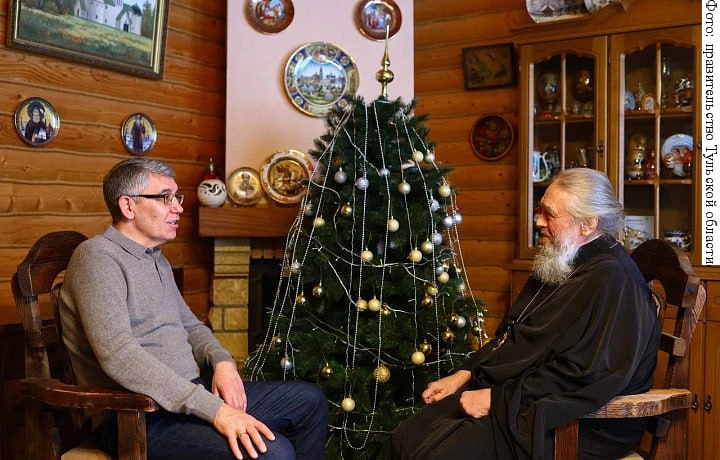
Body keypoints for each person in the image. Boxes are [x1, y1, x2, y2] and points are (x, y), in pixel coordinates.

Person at [60, 158, 327, 459]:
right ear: (128, 206)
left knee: (310, 401)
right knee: (274, 453)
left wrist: (223, 362)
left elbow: (191, 326)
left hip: (188, 397)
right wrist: (217, 411)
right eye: (165, 198)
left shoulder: (155, 258)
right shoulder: (97, 258)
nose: (178, 207)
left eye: (177, 197)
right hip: (137, 416)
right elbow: (119, 355)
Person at [392, 168, 661, 459]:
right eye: (540, 210)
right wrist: (465, 373)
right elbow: (515, 335)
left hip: (577, 423)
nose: (539, 221)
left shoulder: (613, 278)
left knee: (439, 454)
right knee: (407, 436)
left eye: (549, 214)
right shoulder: (563, 258)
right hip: (524, 397)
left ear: (587, 223)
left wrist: (496, 400)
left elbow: (586, 374)